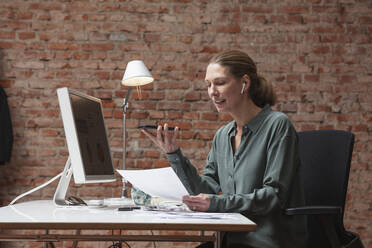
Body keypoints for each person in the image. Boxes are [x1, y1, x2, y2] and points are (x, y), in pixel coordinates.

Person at [141, 50, 307, 248]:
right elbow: (206, 188)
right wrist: (173, 154)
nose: (212, 91)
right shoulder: (223, 135)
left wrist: (215, 203)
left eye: (219, 83)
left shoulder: (278, 125)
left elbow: (273, 196)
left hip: (266, 241)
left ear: (244, 83)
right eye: (208, 85)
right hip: (229, 240)